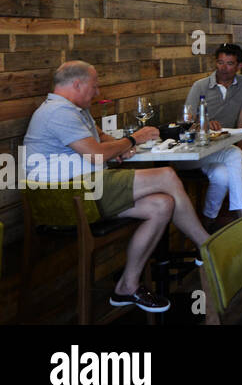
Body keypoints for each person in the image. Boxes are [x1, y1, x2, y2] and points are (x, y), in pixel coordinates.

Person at [22, 61, 211, 313]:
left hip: (86, 191)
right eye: (94, 85)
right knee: (166, 175)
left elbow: (100, 139)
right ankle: (206, 246)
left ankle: (127, 287)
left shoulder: (75, 110)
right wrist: (132, 139)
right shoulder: (58, 112)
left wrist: (117, 147)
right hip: (71, 195)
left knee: (162, 204)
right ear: (77, 84)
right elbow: (97, 153)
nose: (98, 91)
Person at [183, 44, 242, 229]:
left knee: (222, 175)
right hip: (195, 152)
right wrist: (205, 124)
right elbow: (187, 121)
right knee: (233, 155)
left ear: (239, 65)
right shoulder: (200, 86)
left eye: (230, 64)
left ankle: (207, 222)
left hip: (221, 150)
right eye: (220, 62)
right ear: (215, 63)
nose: (223, 68)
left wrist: (241, 152)